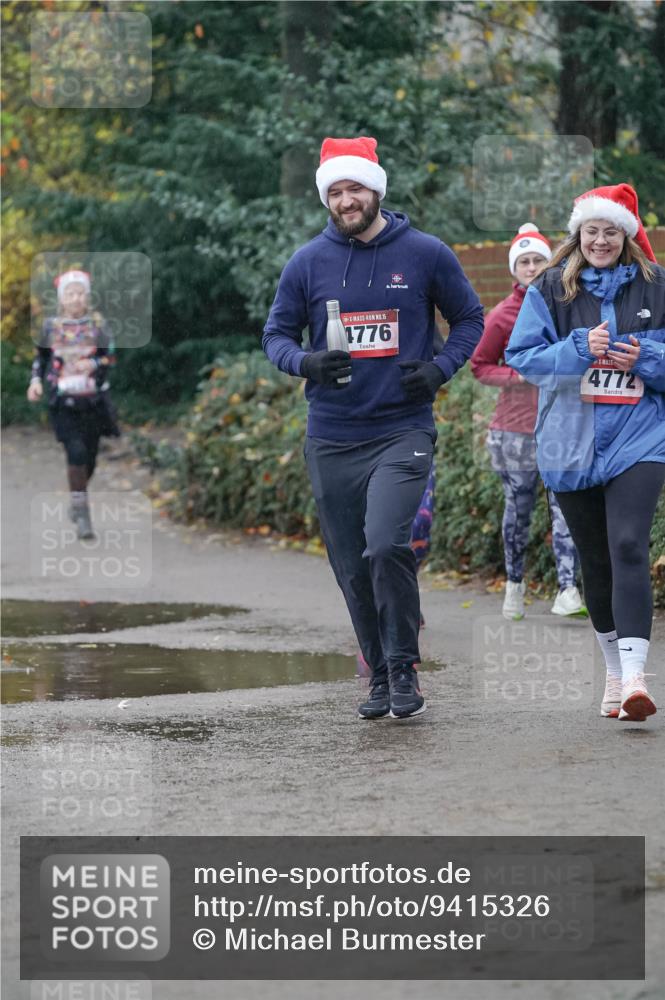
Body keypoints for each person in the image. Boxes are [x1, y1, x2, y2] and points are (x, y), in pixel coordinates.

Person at [263, 136, 484, 719]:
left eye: (354, 188)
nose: (345, 199)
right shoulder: (308, 263)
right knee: (349, 564)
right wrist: (304, 362)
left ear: (376, 189)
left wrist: (438, 369)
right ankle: (379, 673)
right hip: (332, 434)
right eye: (334, 191)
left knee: (386, 543)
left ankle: (405, 667)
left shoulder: (426, 252)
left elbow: (470, 319)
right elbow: (275, 336)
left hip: (401, 429)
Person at [505, 184, 665, 722]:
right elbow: (522, 357)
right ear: (578, 235)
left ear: (627, 235)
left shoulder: (656, 284)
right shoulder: (551, 288)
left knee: (628, 545)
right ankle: (615, 677)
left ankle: (639, 676)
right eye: (591, 230)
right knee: (596, 560)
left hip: (640, 437)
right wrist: (578, 350)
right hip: (569, 442)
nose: (600, 240)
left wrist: (643, 357)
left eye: (611, 230)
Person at [471, 224, 586, 620]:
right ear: (514, 269)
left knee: (565, 509)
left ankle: (568, 590)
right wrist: (519, 376)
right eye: (525, 261)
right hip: (515, 431)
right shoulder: (503, 316)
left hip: (562, 427)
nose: (533, 267)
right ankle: (514, 586)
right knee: (518, 511)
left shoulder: (567, 305)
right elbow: (480, 366)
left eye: (539, 259)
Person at [27, 269, 118, 539]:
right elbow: (41, 360)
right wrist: (35, 382)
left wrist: (92, 363)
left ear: (87, 297)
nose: (76, 298)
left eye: (80, 293)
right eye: (70, 293)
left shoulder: (98, 326)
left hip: (92, 401)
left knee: (90, 459)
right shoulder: (50, 328)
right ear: (62, 298)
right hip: (63, 403)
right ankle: (82, 513)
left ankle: (76, 499)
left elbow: (110, 358)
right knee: (75, 453)